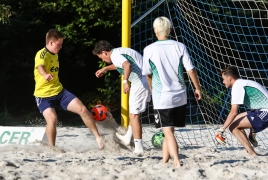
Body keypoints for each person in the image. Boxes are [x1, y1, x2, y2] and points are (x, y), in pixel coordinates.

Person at [142, 17, 202, 167]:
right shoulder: (180, 46)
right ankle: (164, 160)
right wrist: (197, 88)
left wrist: (151, 90)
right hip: (180, 95)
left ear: (155, 30)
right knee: (169, 131)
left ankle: (176, 161)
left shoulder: (149, 49)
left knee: (167, 131)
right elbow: (191, 70)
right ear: (170, 29)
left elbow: (148, 74)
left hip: (162, 96)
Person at [33, 29, 104, 149]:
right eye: (59, 44)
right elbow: (40, 66)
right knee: (53, 119)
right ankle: (52, 148)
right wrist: (45, 74)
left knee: (82, 109)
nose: (61, 47)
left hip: (59, 91)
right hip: (43, 96)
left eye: (61, 44)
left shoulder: (55, 55)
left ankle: (98, 138)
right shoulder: (41, 54)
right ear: (51, 43)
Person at [92, 40, 151, 154]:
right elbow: (120, 64)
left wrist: (125, 82)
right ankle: (127, 137)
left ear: (104, 53)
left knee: (134, 115)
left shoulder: (115, 55)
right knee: (133, 112)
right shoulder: (118, 52)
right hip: (143, 80)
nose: (103, 61)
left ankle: (139, 148)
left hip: (141, 81)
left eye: (102, 58)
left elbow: (126, 65)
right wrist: (104, 69)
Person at [216, 66, 268, 156]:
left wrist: (221, 130)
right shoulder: (242, 83)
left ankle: (252, 154)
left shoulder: (237, 86)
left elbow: (233, 112)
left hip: (265, 113)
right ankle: (252, 135)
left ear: (229, 78)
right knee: (235, 120)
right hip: (262, 111)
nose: (223, 82)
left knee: (232, 126)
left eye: (223, 79)